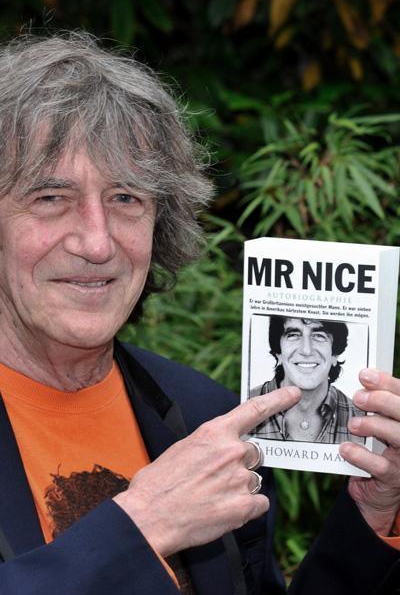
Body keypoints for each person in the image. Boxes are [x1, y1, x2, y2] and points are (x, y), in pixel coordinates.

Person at [0, 31, 398, 595]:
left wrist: (374, 516)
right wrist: (142, 527)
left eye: (126, 198)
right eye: (49, 198)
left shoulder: (208, 415)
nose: (97, 242)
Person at [250, 316, 364, 443]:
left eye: (319, 336)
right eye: (293, 335)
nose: (306, 350)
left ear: (334, 355)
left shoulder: (361, 419)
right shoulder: (244, 405)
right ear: (279, 353)